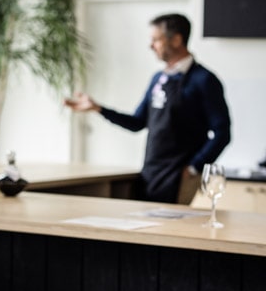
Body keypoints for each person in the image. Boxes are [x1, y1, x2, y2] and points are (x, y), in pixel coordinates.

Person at [65, 13, 231, 204]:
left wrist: (194, 167)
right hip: (150, 171)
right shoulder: (158, 79)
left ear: (176, 40)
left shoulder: (204, 80)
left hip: (178, 176)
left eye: (156, 40)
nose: (151, 46)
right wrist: (99, 109)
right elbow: (137, 123)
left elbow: (222, 133)